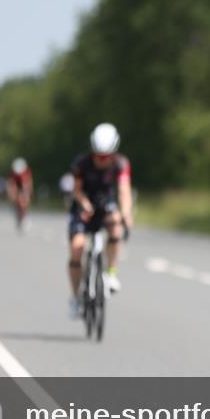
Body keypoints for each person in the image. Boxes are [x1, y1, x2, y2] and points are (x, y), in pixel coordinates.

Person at [67, 123, 133, 318]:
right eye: (98, 155)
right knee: (77, 247)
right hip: (83, 206)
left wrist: (126, 213)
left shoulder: (120, 164)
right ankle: (75, 297)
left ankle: (111, 273)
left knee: (115, 223)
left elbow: (124, 190)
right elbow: (77, 190)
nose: (101, 160)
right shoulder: (81, 163)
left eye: (105, 156)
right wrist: (84, 203)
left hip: (106, 204)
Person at [7, 157, 33, 232]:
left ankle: (25, 216)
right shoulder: (12, 173)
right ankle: (17, 214)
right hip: (16, 186)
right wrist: (11, 194)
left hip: (24, 185)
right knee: (15, 200)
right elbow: (11, 184)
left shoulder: (27, 171)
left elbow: (28, 183)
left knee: (24, 201)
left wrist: (27, 194)